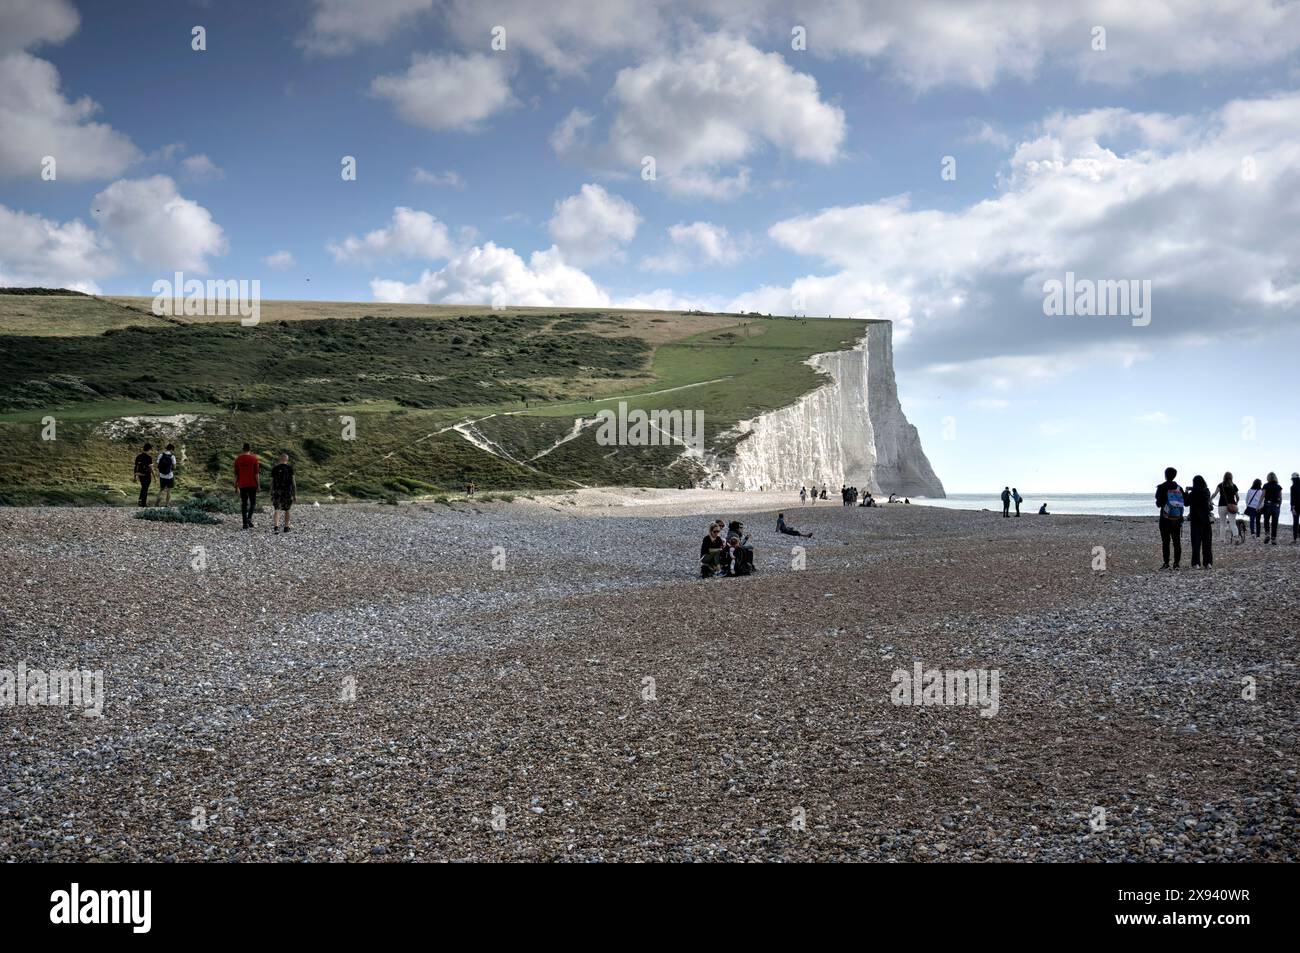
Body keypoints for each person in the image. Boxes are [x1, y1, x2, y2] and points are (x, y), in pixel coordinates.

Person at [1155, 466, 1184, 569]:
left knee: (1165, 541)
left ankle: (1166, 563)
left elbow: (1158, 504)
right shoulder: (1179, 488)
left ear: (1165, 475)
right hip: (1177, 518)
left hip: (1165, 518)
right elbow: (1184, 502)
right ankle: (1176, 563)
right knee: (1177, 542)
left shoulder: (1161, 487)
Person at [1185, 475, 1214, 569]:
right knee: (1207, 543)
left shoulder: (1192, 494)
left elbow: (1186, 503)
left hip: (1195, 520)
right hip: (1206, 520)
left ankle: (1196, 563)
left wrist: (1186, 491)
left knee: (1196, 543)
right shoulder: (1206, 492)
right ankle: (1208, 563)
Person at [234, 443, 261, 530]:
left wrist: (235, 486)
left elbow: (236, 475)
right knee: (253, 503)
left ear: (243, 449)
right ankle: (249, 518)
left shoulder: (238, 459)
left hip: (242, 484)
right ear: (250, 449)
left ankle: (245, 523)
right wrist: (258, 485)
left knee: (244, 504)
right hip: (252, 484)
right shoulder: (254, 459)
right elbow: (256, 474)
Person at [270, 451, 297, 534]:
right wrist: (294, 494)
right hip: (287, 491)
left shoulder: (275, 468)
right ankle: (286, 527)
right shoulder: (290, 468)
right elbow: (293, 482)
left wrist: (271, 491)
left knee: (277, 509)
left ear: (280, 459)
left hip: (277, 491)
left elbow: (271, 482)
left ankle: (276, 527)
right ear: (287, 460)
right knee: (287, 509)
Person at [1211, 472, 1239, 543]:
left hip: (1222, 505)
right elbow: (1237, 497)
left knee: (1222, 523)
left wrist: (1210, 499)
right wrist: (1236, 503)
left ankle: (1222, 539)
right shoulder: (1234, 486)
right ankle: (1236, 538)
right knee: (1233, 523)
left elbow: (1215, 493)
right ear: (1231, 477)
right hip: (1232, 505)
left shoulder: (1220, 485)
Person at [1261, 472, 1283, 544]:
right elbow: (1280, 498)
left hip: (1267, 505)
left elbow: (1262, 496)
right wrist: (1279, 506)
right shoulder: (1278, 486)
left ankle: (1267, 535)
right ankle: (1273, 539)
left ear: (1268, 478)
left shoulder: (1266, 485)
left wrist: (1258, 505)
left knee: (1266, 520)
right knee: (1274, 522)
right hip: (1276, 506)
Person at [132, 443, 154, 507]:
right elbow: (151, 468)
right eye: (151, 450)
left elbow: (136, 467)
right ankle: (143, 503)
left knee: (143, 487)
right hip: (147, 475)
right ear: (149, 449)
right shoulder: (149, 458)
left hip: (140, 475)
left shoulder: (138, 456)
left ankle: (140, 501)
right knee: (145, 488)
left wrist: (135, 476)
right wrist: (154, 477)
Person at [1291, 472, 1300, 544]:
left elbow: (1292, 498)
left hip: (1296, 507)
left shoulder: (1293, 487)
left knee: (1295, 523)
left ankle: (1295, 539)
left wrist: (1292, 507)